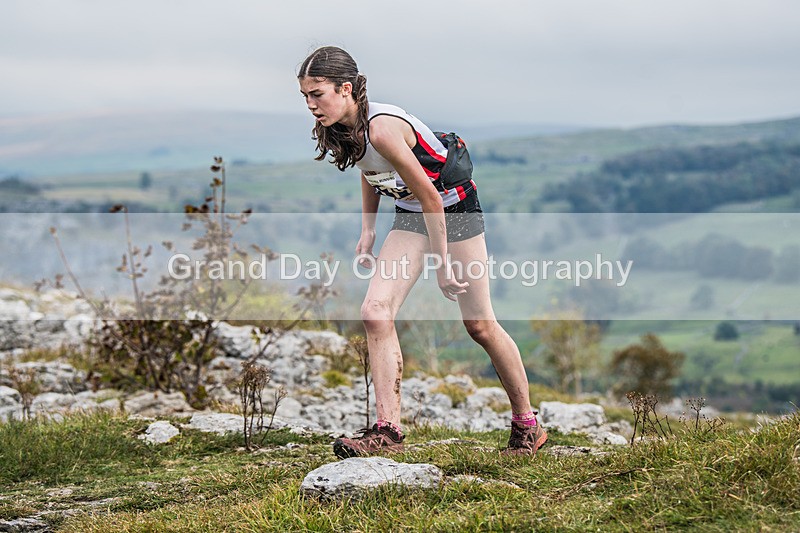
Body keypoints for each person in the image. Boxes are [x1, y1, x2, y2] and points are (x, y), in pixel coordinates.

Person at [297, 46, 547, 457]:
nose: (310, 104)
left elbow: (432, 197)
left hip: (454, 210)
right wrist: (368, 230)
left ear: (345, 89)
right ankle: (387, 432)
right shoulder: (343, 125)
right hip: (413, 214)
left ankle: (527, 425)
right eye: (305, 95)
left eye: (317, 94)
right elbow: (371, 170)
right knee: (375, 311)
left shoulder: (381, 128)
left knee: (479, 325)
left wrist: (442, 265)